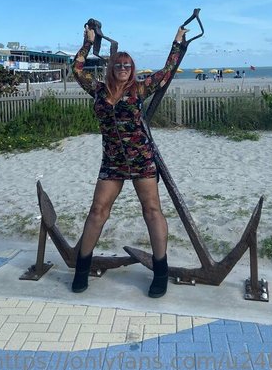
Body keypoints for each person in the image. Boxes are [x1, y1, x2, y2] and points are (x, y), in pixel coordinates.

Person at [71, 23, 188, 298]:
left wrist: (177, 41)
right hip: (112, 162)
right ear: (111, 68)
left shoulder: (139, 89)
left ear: (132, 69)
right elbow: (76, 69)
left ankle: (161, 272)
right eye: (118, 65)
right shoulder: (98, 90)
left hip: (141, 161)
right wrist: (87, 43)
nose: (123, 68)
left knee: (152, 211)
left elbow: (167, 71)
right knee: (97, 211)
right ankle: (82, 268)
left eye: (127, 65)